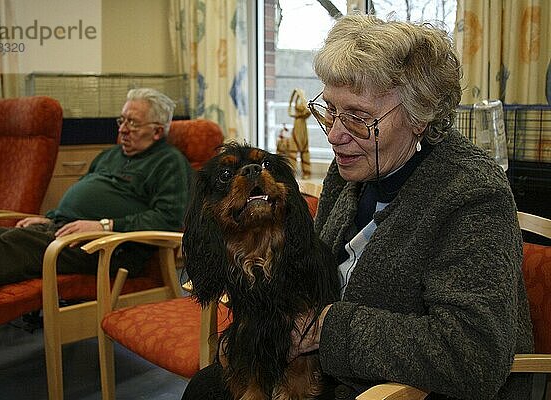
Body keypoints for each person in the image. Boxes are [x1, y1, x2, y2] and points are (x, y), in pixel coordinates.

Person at [182, 14, 533, 400]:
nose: (334, 134)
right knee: (204, 387)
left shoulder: (472, 193)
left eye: (358, 118)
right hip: (332, 373)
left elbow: (472, 357)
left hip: (401, 391)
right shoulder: (354, 166)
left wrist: (325, 328)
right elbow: (308, 274)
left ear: (419, 116)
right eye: (330, 111)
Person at [0, 88, 192, 299]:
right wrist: (50, 217)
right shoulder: (109, 155)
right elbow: (81, 196)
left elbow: (168, 220)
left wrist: (106, 226)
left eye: (133, 123)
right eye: (122, 120)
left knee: (13, 245)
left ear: (158, 132)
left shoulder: (169, 162)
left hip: (110, 247)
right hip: (68, 230)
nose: (123, 129)